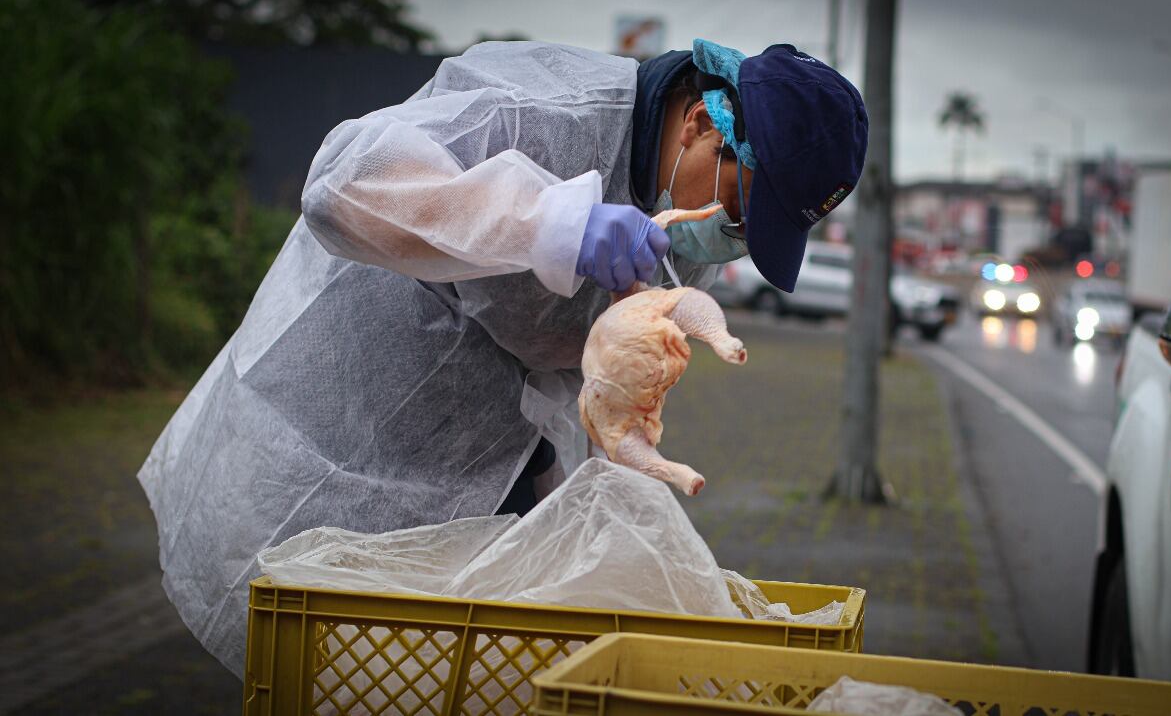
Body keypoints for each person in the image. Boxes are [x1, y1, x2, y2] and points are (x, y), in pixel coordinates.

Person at [138, 38, 868, 673]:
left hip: (484, 458)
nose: (733, 235)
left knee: (420, 673)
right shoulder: (543, 107)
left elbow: (588, 371)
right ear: (704, 123)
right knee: (308, 650)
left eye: (754, 231)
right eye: (742, 208)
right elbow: (343, 184)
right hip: (336, 426)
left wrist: (604, 476)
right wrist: (550, 222)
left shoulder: (686, 233)